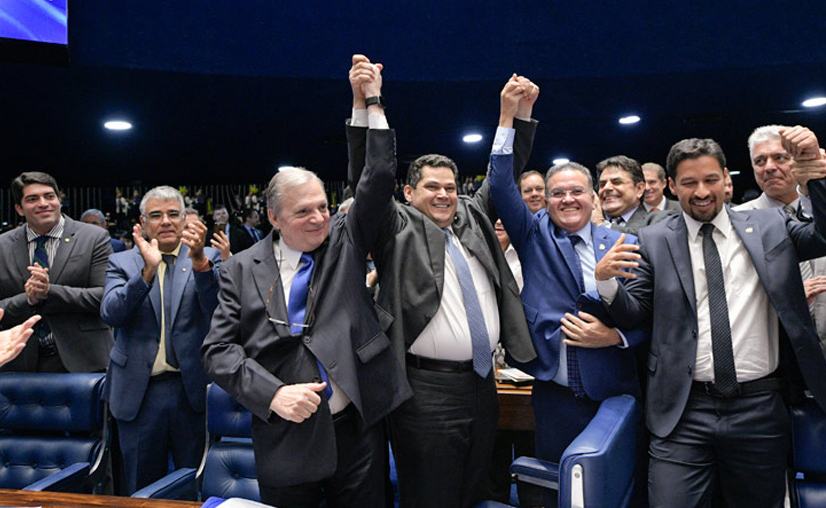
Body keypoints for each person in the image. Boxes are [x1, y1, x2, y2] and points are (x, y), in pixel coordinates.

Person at [598, 129, 826, 507]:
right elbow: (635, 312)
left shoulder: (770, 226)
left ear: (728, 181)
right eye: (689, 183)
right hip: (683, 410)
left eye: (710, 180)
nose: (701, 191)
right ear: (671, 186)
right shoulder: (655, 239)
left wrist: (819, 171)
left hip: (760, 406)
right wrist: (606, 285)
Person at [203, 58, 410, 508]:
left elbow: (375, 179)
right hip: (285, 437)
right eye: (303, 212)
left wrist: (368, 103)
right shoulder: (240, 267)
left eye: (322, 206)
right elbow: (217, 352)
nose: (319, 218)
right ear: (274, 219)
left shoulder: (345, 239)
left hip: (356, 430)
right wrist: (272, 393)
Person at [347, 74, 538, 508]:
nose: (444, 195)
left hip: (482, 383)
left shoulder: (472, 216)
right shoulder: (394, 225)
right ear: (409, 192)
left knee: (476, 490)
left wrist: (515, 115)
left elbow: (506, 174)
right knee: (431, 496)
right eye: (432, 187)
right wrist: (368, 105)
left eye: (451, 187)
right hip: (424, 390)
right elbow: (370, 178)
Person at [488, 76, 646, 508]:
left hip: (613, 391)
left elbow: (651, 317)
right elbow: (501, 183)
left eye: (577, 191)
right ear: (546, 201)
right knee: (553, 489)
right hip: (553, 393)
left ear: (593, 198)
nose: (567, 199)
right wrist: (509, 116)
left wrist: (616, 337)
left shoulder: (624, 243)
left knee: (615, 491)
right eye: (558, 193)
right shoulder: (533, 232)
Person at [102, 186, 221, 494]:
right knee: (141, 487)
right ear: (142, 223)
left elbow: (220, 310)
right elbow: (111, 313)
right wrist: (147, 270)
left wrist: (200, 264)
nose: (166, 221)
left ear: (185, 220)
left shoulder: (207, 257)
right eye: (156, 215)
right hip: (139, 393)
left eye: (173, 214)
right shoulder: (123, 261)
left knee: (193, 482)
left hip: (190, 389)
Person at [735, 125, 826, 397]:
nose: (769, 167)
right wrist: (783, 299)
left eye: (780, 158)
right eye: (760, 161)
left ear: (801, 161)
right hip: (775, 373)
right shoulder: (734, 226)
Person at [0, 172, 113, 373]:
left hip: (85, 361)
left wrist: (50, 292)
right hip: (19, 363)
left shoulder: (94, 238)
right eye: (32, 199)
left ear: (59, 200)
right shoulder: (2, 246)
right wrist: (27, 299)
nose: (43, 203)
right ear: (19, 209)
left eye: (49, 196)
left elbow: (105, 297)